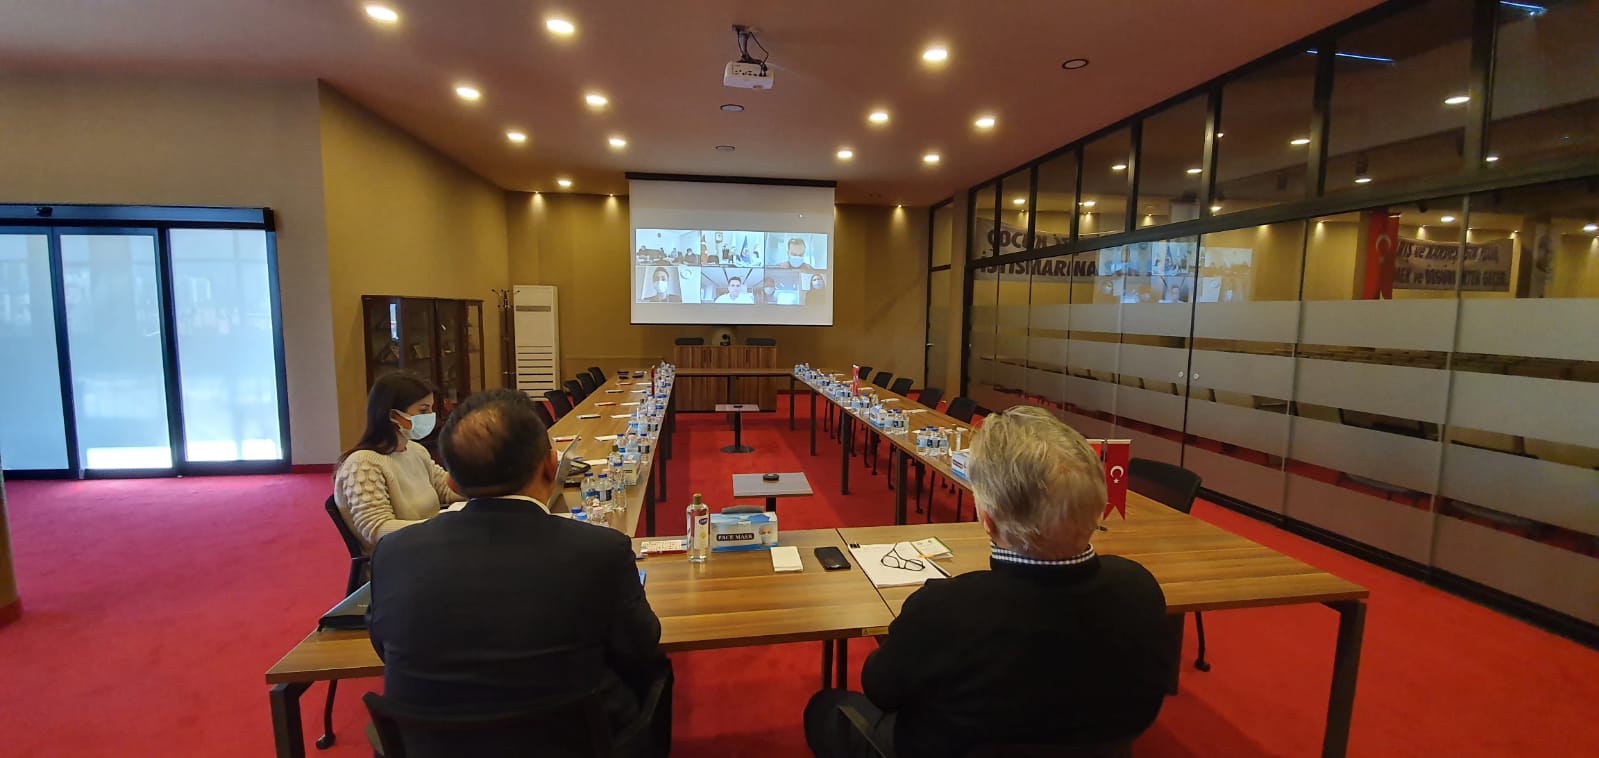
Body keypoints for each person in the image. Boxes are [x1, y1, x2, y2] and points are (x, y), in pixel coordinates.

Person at [803, 406, 1173, 758]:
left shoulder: (946, 609)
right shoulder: (1139, 589)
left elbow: (880, 688)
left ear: (988, 521)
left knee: (824, 707)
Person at [368, 389, 671, 757]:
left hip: (431, 746)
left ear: (452, 484)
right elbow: (641, 643)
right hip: (574, 743)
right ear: (551, 466)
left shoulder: (392, 553)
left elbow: (382, 646)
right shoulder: (600, 551)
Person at [333, 371, 462, 551]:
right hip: (398, 556)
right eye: (423, 410)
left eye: (431, 409)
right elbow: (377, 529)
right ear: (393, 415)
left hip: (429, 545)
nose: (431, 415)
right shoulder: (362, 464)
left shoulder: (415, 450)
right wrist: (439, 528)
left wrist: (490, 487)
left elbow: (446, 489)